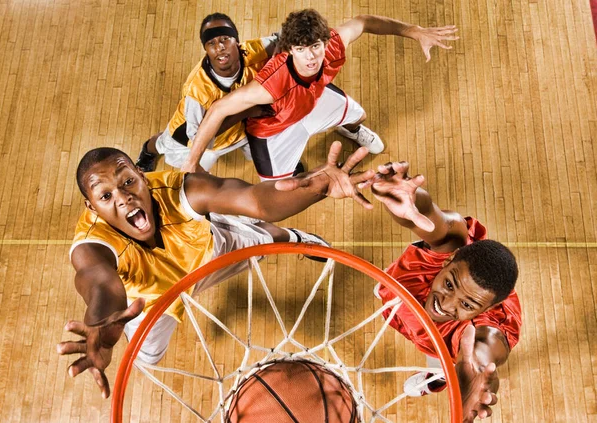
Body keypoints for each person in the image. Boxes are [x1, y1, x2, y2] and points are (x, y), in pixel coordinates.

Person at [57, 142, 375, 399]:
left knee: (267, 238)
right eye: (106, 195)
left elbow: (258, 200)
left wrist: (317, 187)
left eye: (128, 181)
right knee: (147, 357)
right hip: (154, 301)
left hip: (208, 256)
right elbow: (102, 287)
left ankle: (293, 237)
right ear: (91, 207)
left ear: (142, 176)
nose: (124, 197)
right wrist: (102, 330)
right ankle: (231, 222)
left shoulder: (183, 190)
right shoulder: (91, 247)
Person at [181, 9, 459, 179]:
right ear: (290, 50)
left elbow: (363, 22)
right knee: (278, 187)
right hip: (275, 129)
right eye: (301, 50)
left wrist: (413, 31)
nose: (311, 57)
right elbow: (218, 109)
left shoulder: (335, 44)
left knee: (358, 115)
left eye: (315, 46)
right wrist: (192, 162)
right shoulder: (271, 83)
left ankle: (350, 131)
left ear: (325, 41)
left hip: (312, 102)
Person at [363, 161, 522, 422]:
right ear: (448, 262)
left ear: (486, 311)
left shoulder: (482, 334)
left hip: (440, 345)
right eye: (449, 284)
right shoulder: (449, 250)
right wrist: (413, 200)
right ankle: (390, 294)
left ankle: (437, 380)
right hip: (404, 294)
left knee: (443, 363)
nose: (446, 304)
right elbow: (437, 221)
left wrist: (478, 376)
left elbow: (483, 353)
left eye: (467, 305)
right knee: (392, 291)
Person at [135, 13, 278, 172]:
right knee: (161, 143)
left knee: (268, 150)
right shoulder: (197, 91)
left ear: (236, 42)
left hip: (243, 130)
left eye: (225, 38)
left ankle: (284, 165)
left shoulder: (253, 50)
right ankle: (148, 151)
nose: (219, 47)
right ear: (206, 49)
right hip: (193, 138)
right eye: (211, 42)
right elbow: (200, 137)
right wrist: (246, 111)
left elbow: (283, 39)